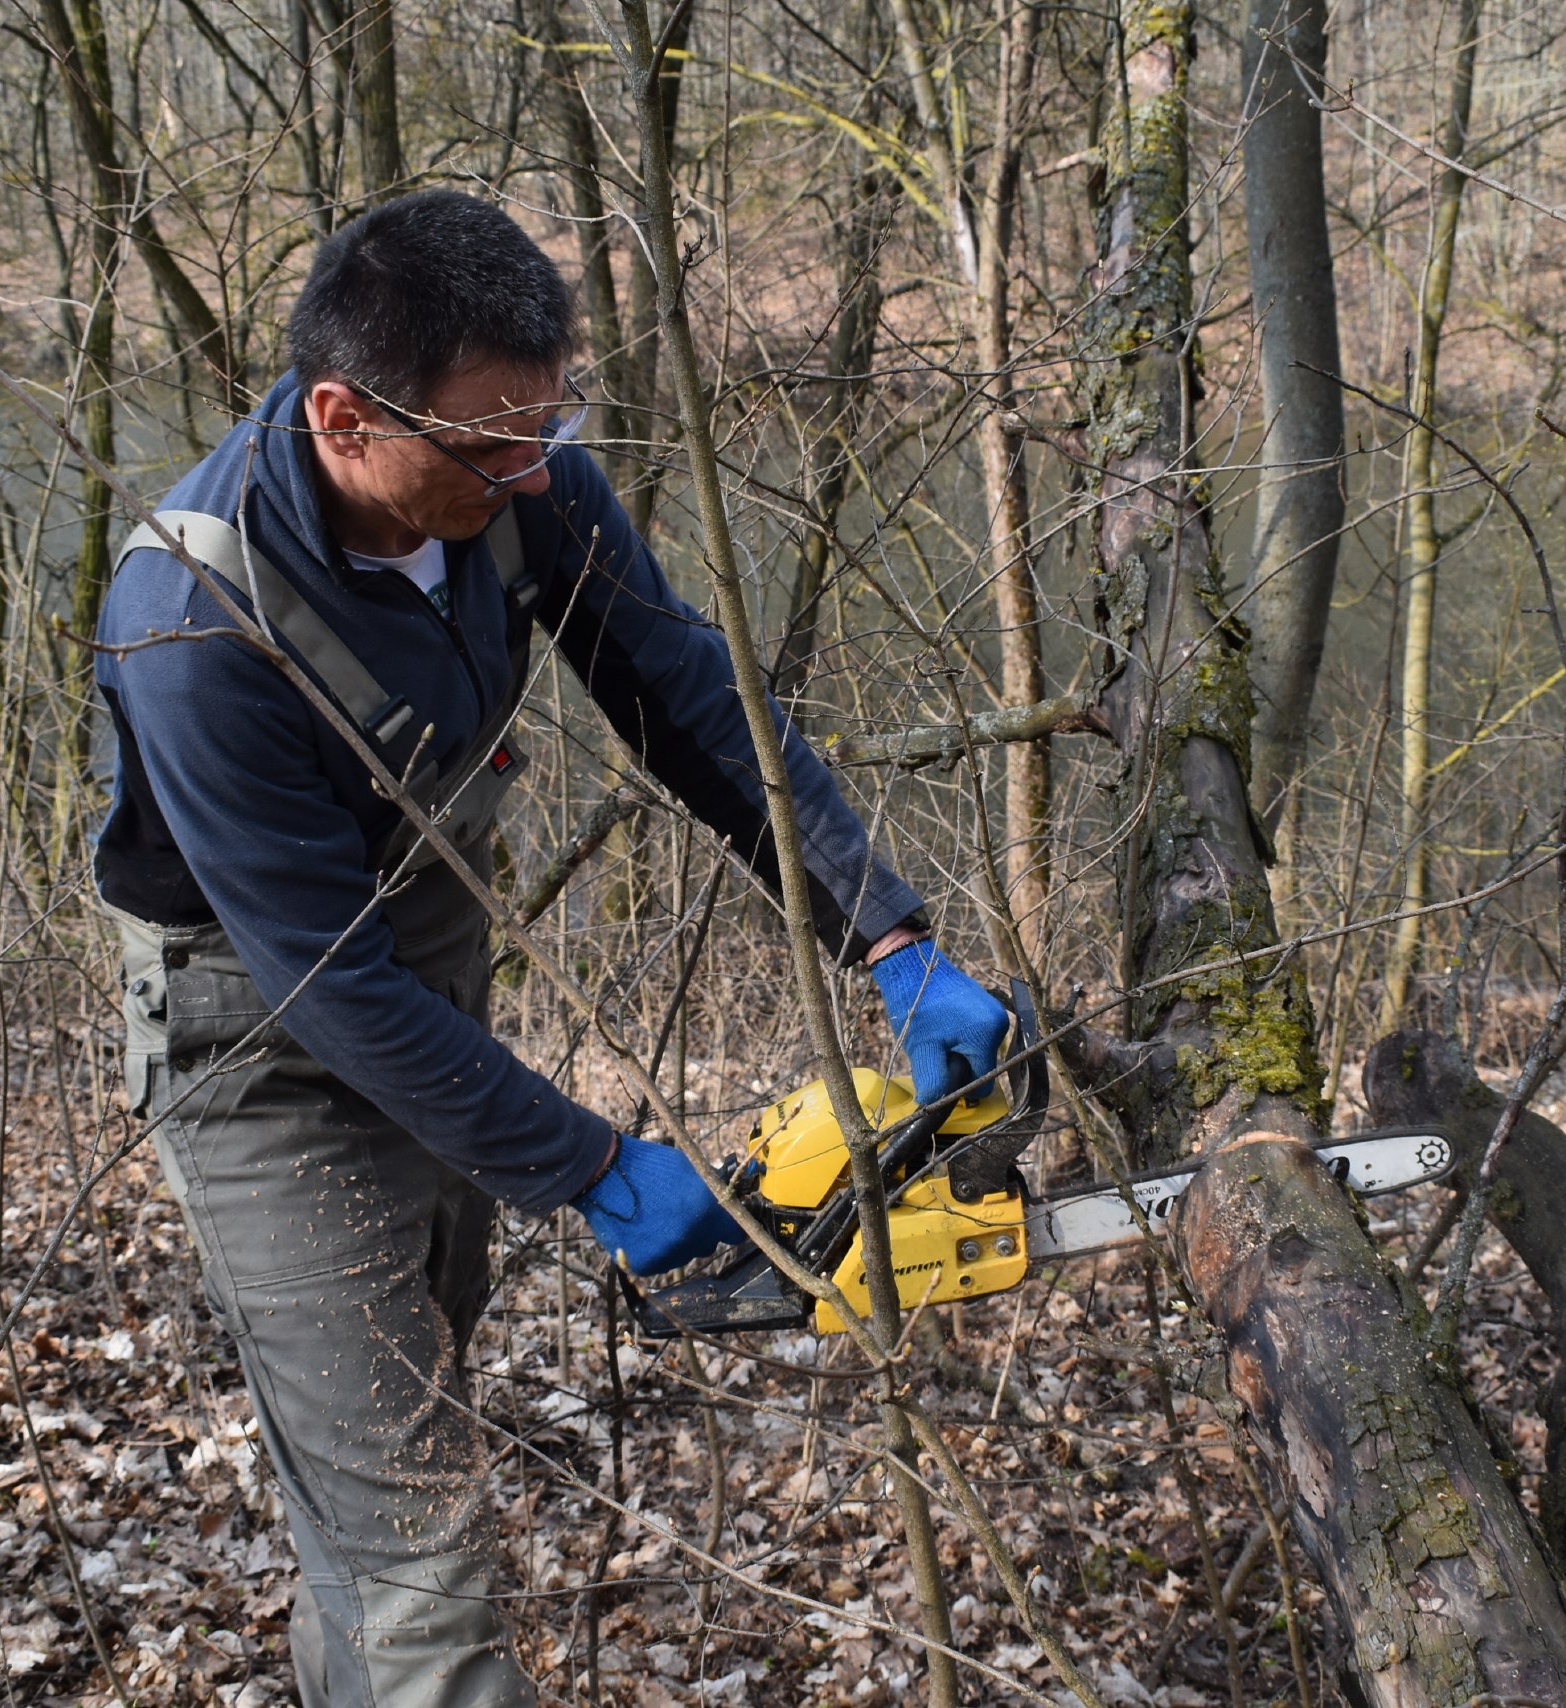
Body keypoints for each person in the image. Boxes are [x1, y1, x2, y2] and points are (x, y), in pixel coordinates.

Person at [91, 189, 1007, 1708]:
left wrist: (889, 934)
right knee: (413, 1556)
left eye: (549, 423)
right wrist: (592, 1165)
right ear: (343, 415)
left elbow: (687, 701)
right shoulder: (193, 629)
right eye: (489, 445)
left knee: (386, 1477)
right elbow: (329, 983)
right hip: (262, 1044)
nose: (532, 468)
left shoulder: (524, 478)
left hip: (431, 990)